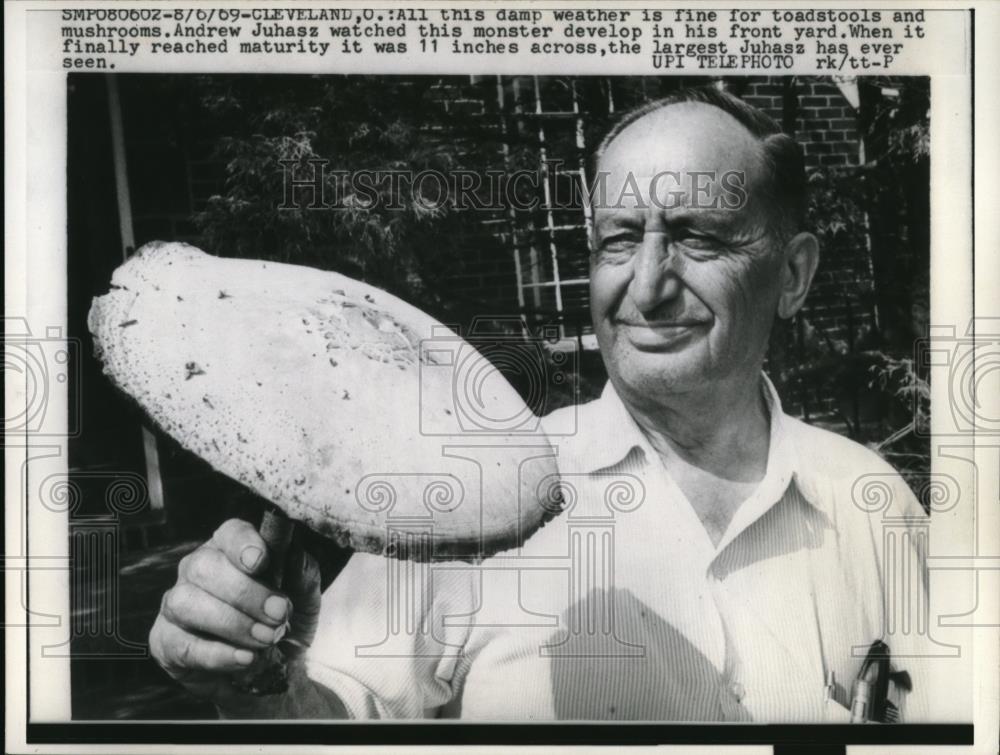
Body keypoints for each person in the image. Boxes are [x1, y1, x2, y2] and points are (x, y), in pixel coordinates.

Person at [150, 87, 937, 721]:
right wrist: (260, 680)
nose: (649, 284)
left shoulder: (874, 506)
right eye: (619, 239)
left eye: (698, 237)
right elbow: (336, 715)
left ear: (794, 275)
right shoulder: (463, 490)